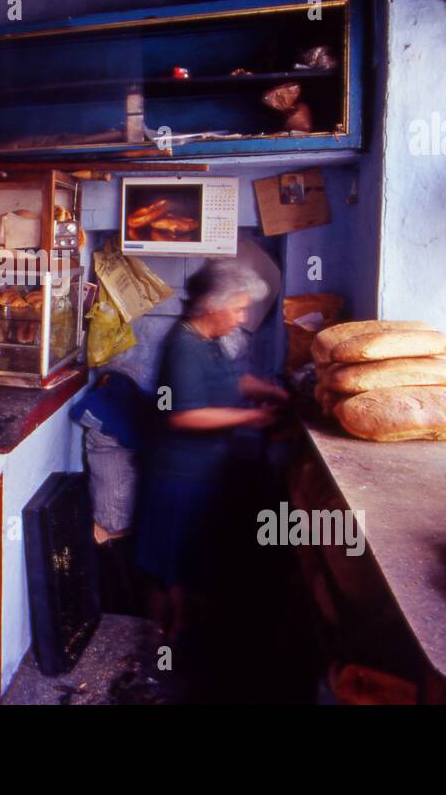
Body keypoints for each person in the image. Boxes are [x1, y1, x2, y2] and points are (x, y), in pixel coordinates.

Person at [135, 259, 289, 644]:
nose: (241, 317)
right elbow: (184, 416)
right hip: (176, 475)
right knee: (167, 565)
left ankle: (182, 636)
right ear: (211, 306)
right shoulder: (182, 345)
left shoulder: (210, 340)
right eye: (237, 308)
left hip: (205, 472)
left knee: (187, 561)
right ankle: (156, 647)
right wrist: (250, 420)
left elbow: (233, 380)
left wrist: (268, 391)